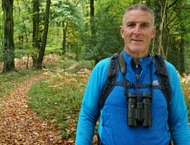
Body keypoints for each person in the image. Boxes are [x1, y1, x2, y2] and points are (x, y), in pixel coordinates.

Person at [75, 4, 190, 145]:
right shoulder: (104, 69)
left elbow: (179, 123)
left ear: (153, 32)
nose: (137, 31)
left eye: (144, 25)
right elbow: (87, 116)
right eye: (131, 25)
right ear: (122, 31)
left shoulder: (167, 71)